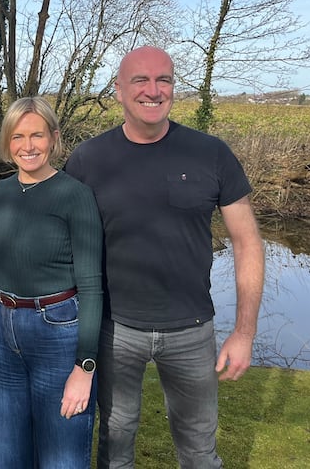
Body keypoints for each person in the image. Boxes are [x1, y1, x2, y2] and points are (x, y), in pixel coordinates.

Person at [64, 45, 265, 469]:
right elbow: (62, 240)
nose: (153, 90)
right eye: (140, 80)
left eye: (164, 80)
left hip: (192, 330)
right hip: (116, 329)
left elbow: (247, 243)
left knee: (198, 450)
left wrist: (244, 332)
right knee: (115, 447)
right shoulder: (88, 160)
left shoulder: (211, 154)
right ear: (119, 90)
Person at [0, 96, 103, 468]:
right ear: (7, 141)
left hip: (57, 331)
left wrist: (85, 368)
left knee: (61, 454)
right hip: (1, 330)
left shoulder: (75, 195)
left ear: (53, 138)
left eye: (37, 135)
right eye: (18, 136)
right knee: (8, 455)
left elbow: (92, 286)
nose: (28, 146)